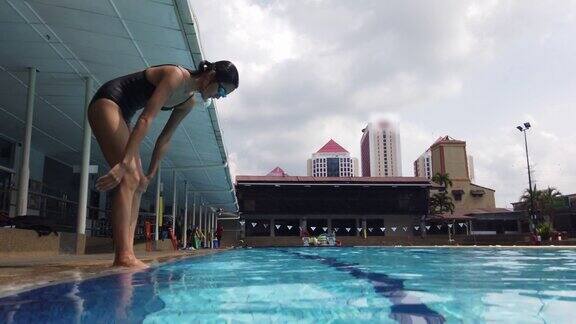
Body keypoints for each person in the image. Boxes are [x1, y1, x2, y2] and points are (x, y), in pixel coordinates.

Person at [88, 61, 239, 267]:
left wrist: (150, 173)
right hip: (108, 102)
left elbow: (164, 139)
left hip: (124, 115)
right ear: (211, 75)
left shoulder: (187, 103)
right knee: (129, 176)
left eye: (224, 95)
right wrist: (123, 164)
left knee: (139, 183)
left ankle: (127, 253)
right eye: (221, 90)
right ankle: (123, 256)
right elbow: (146, 119)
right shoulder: (176, 75)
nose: (219, 96)